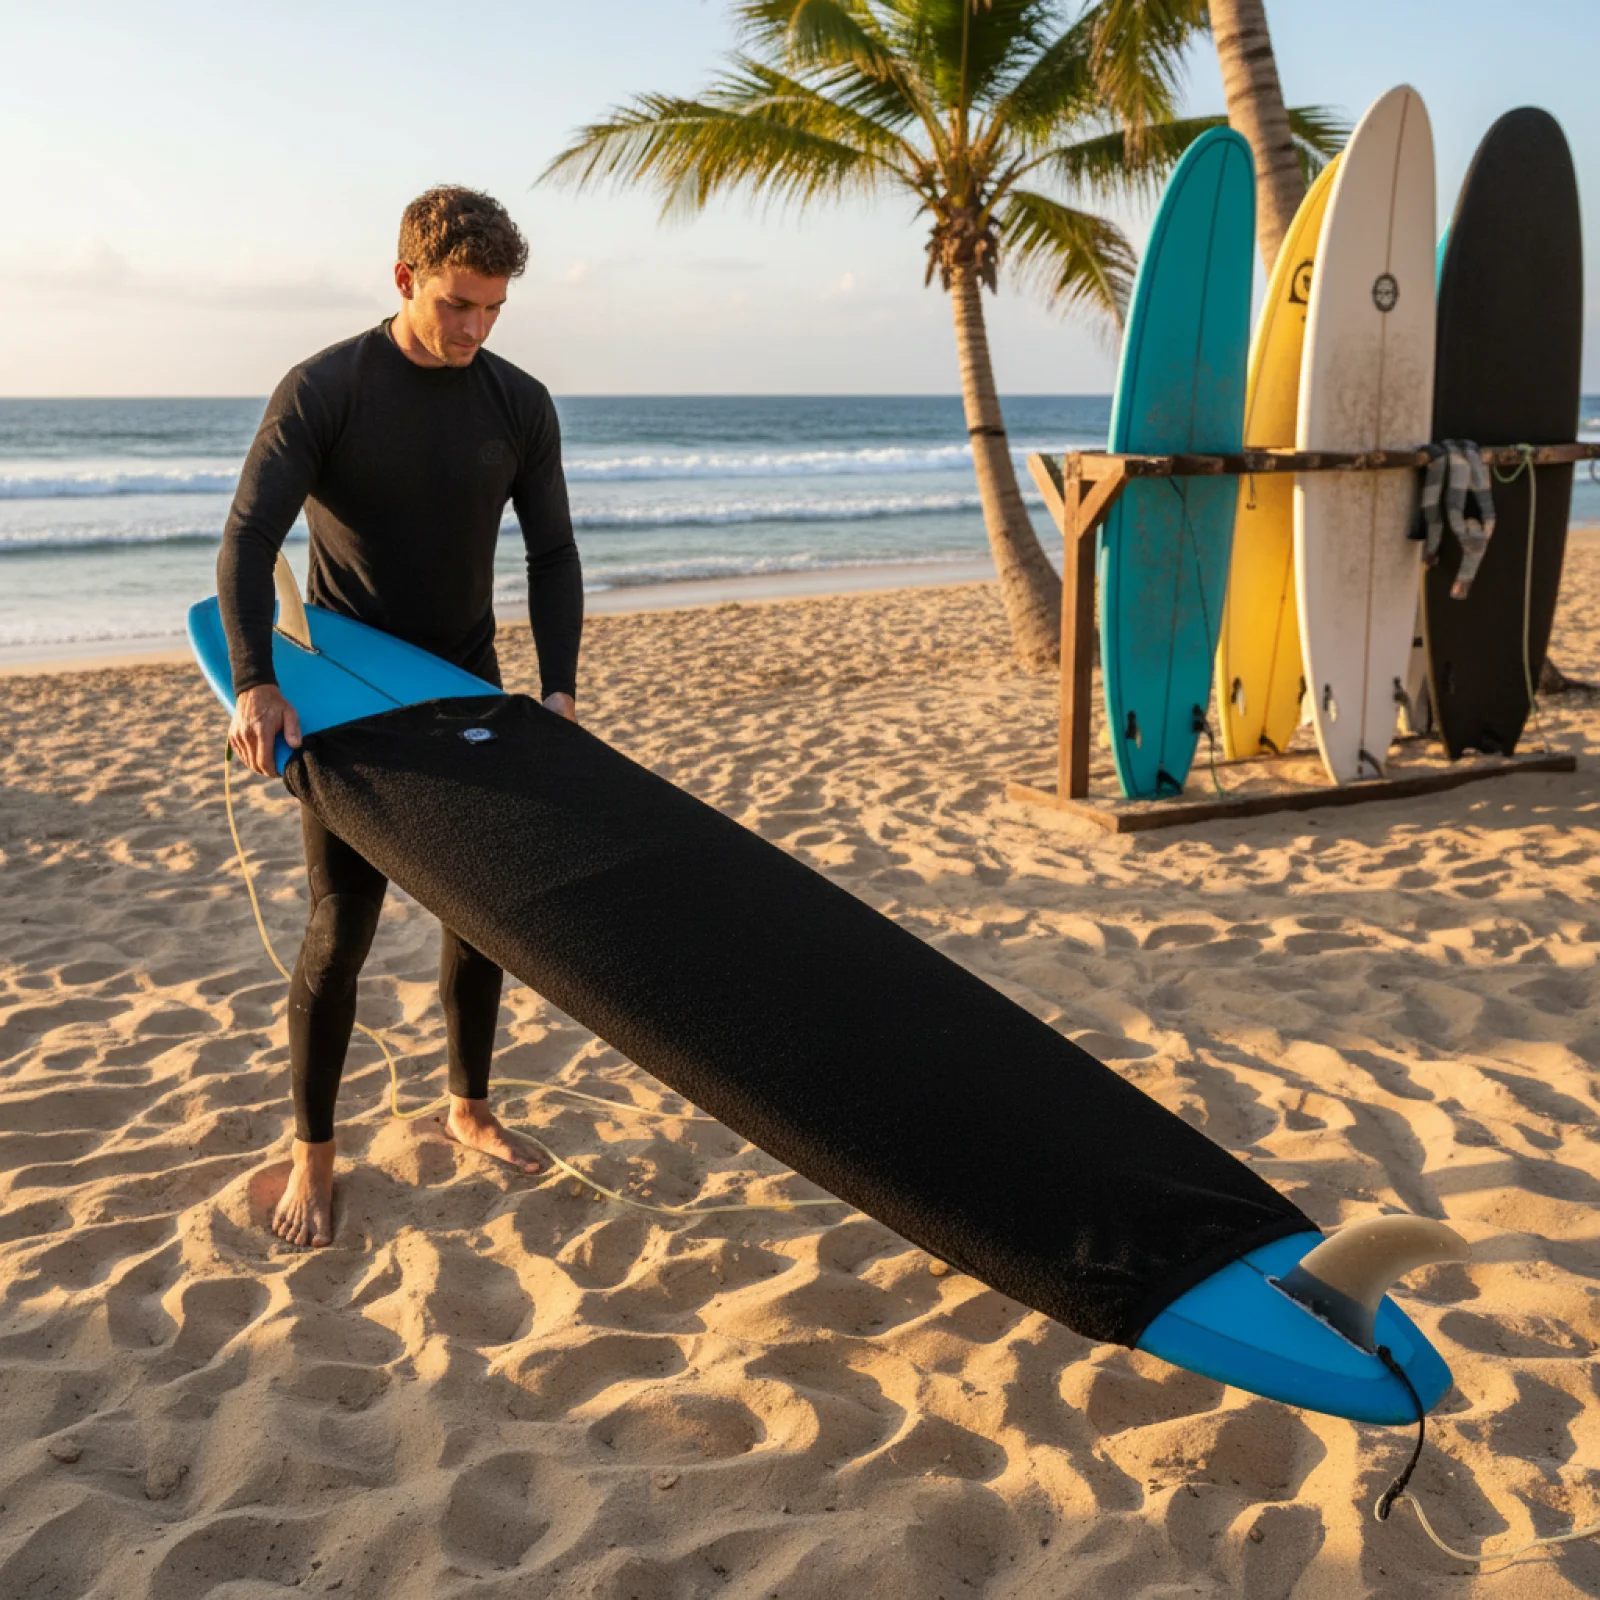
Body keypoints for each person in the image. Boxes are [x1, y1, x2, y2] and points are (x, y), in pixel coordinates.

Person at [218, 186, 582, 1248]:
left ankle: (467, 1107)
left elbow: (553, 552)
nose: (475, 329)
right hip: (349, 699)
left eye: (494, 309)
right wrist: (255, 680)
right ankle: (313, 1153)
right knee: (342, 927)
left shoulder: (519, 403)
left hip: (466, 685)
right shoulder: (327, 389)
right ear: (404, 278)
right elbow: (247, 540)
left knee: (482, 913)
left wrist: (558, 689)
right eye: (458, 303)